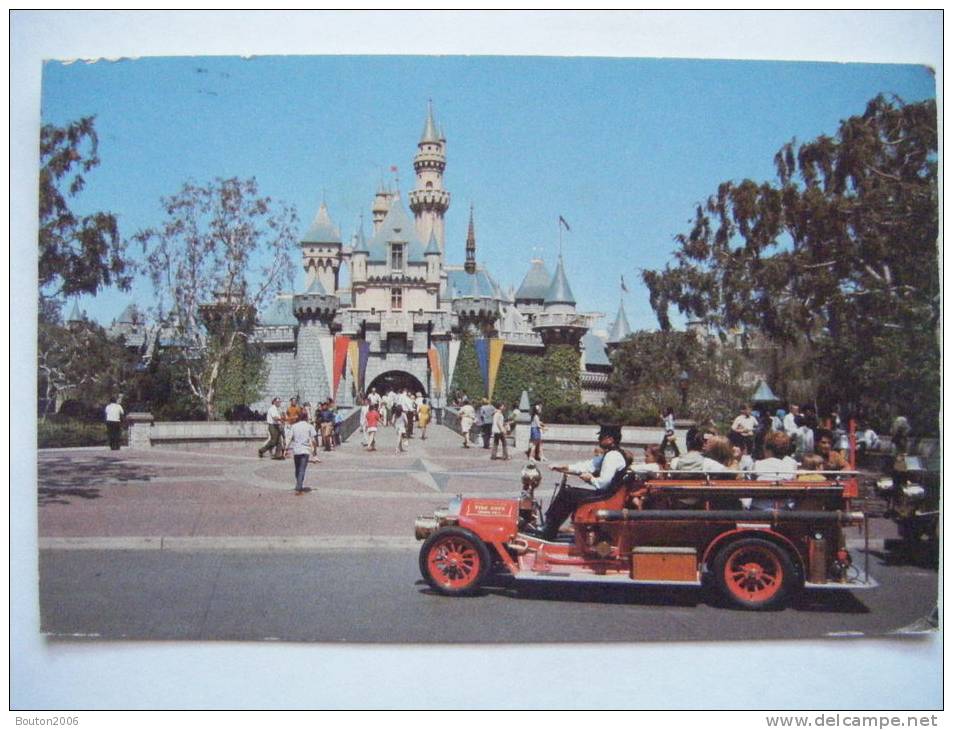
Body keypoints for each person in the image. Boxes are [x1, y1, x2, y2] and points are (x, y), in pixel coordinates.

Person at [541, 425, 630, 541]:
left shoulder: (613, 456)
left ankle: (549, 531)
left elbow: (603, 483)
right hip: (607, 494)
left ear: (610, 439)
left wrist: (590, 479)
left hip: (606, 497)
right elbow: (588, 465)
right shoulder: (611, 454)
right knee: (570, 491)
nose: (599, 440)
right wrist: (564, 467)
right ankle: (551, 527)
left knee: (568, 493)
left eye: (601, 437)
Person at [289, 411, 318, 494]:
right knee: (302, 469)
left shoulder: (294, 426)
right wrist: (314, 452)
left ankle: (298, 484)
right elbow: (313, 440)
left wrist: (285, 449)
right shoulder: (309, 426)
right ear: (306, 417)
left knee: (297, 469)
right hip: (305, 451)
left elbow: (290, 438)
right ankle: (299, 486)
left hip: (296, 450)